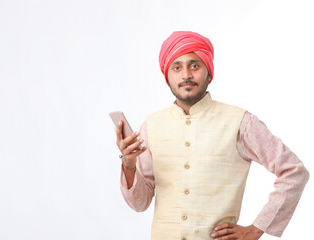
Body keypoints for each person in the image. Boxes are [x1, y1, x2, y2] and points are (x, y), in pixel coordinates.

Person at [114, 31, 309, 240]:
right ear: (167, 75)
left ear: (208, 71)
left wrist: (256, 229)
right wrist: (129, 164)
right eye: (177, 67)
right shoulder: (151, 125)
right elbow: (139, 203)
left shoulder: (239, 122)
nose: (186, 75)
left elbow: (294, 172)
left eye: (194, 65)